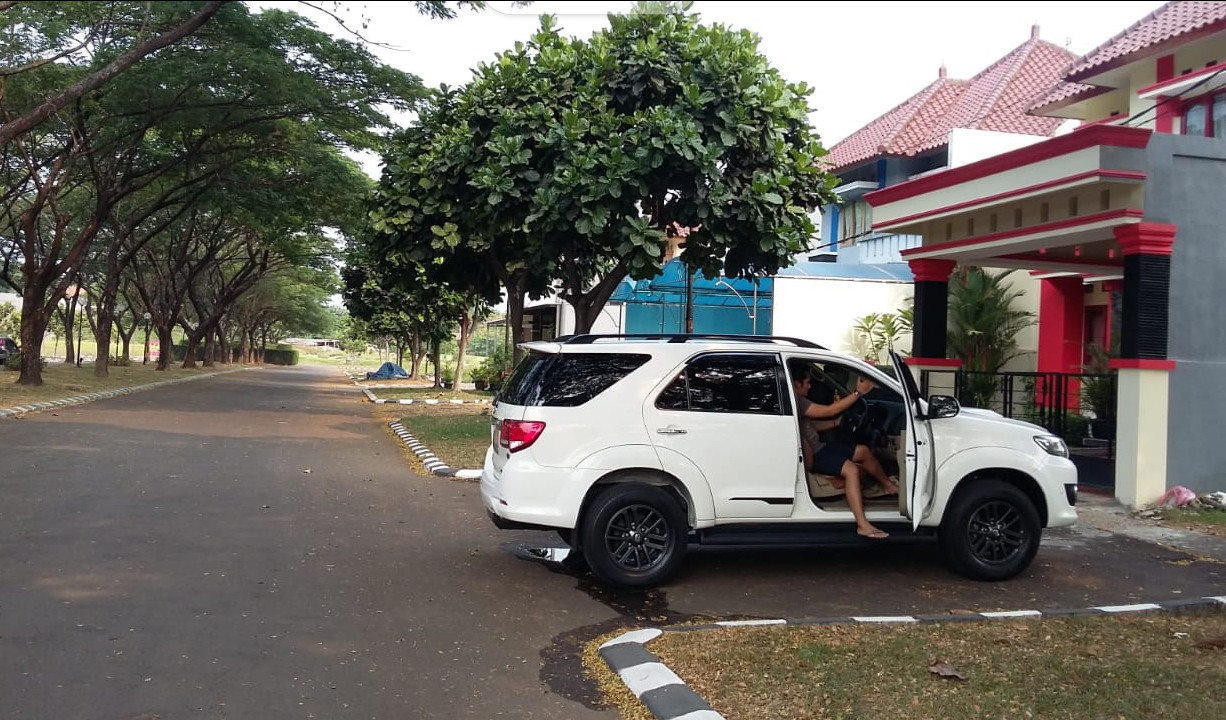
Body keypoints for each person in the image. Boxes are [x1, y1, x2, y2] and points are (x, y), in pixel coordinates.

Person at [789, 360, 899, 540]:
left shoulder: (795, 402)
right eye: (807, 382)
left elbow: (810, 426)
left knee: (863, 451)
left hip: (820, 447)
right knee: (851, 470)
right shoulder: (797, 401)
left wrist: (836, 423)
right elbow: (829, 410)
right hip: (814, 454)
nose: (810, 386)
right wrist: (858, 393)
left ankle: (888, 485)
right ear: (796, 384)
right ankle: (862, 524)